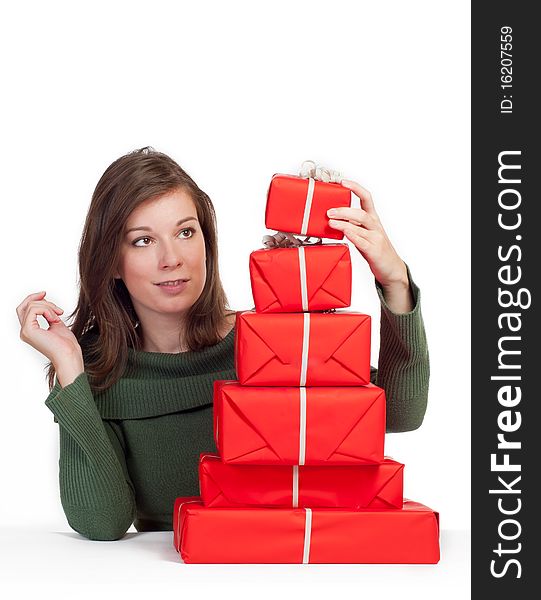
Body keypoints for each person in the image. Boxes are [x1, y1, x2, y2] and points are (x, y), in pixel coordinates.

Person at [16, 147, 429, 541]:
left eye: (185, 232)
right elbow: (102, 522)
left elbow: (399, 412)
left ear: (206, 241)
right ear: (111, 262)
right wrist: (71, 369)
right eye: (143, 240)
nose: (171, 258)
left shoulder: (268, 338)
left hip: (295, 569)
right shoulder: (102, 374)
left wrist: (394, 282)